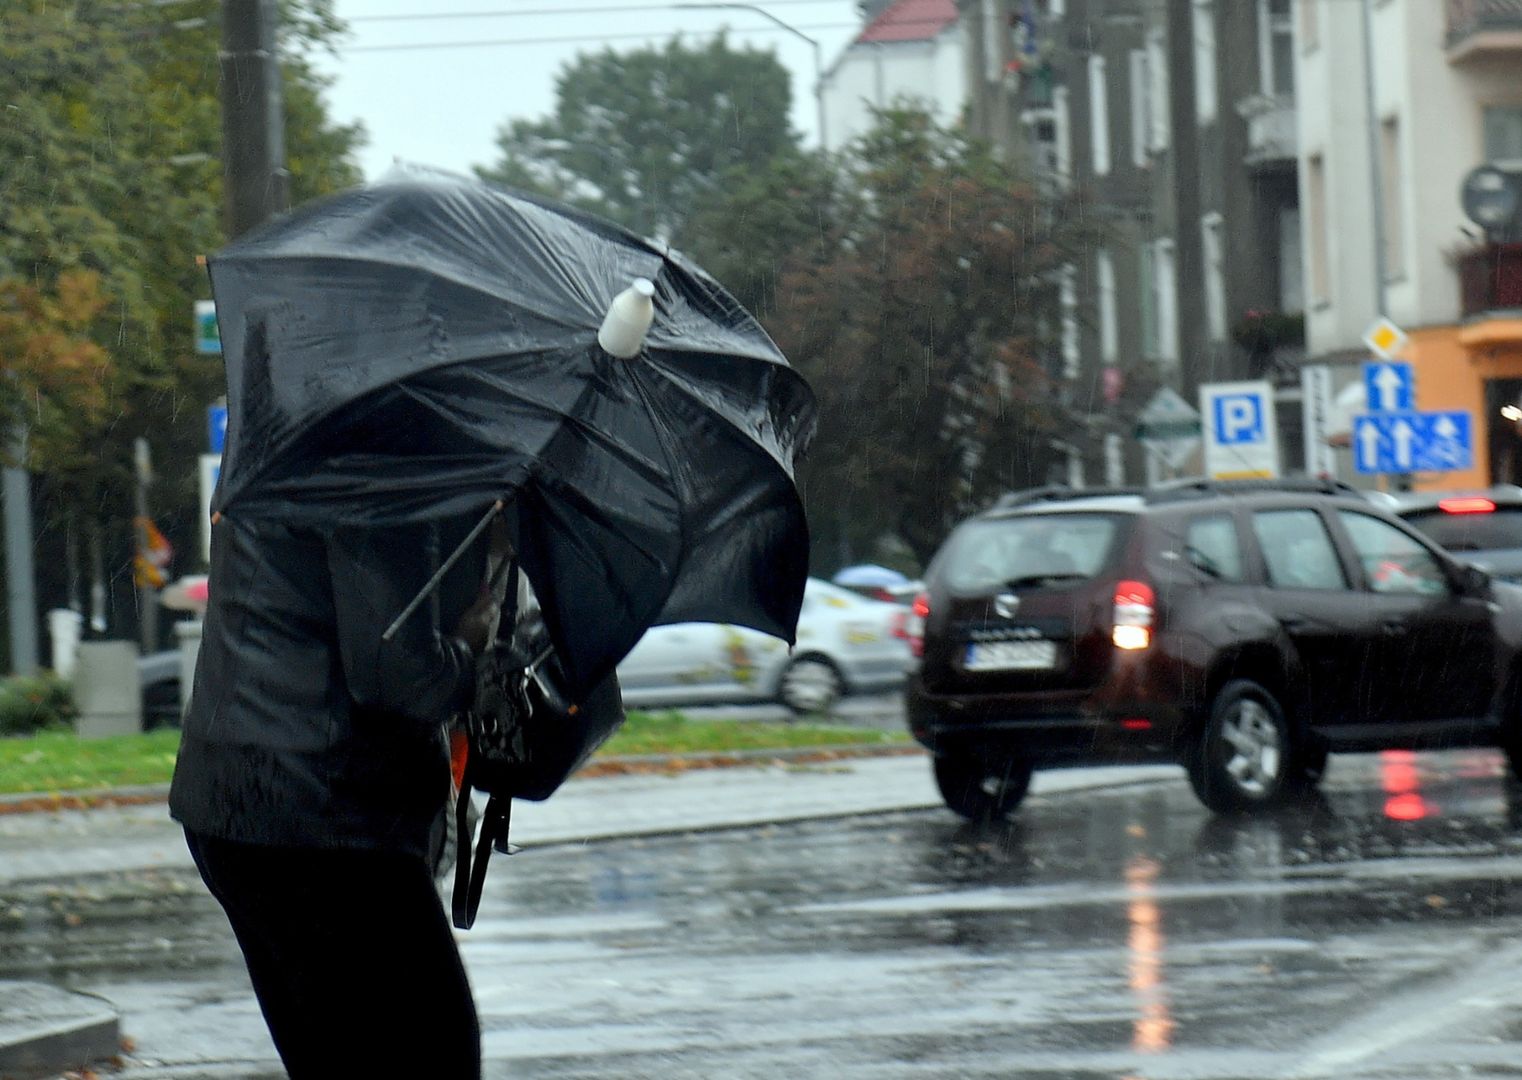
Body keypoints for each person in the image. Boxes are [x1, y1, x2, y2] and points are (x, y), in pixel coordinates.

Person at [169, 509, 501, 1079]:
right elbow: (393, 670)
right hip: (326, 810)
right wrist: (473, 659)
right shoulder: (382, 464)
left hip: (233, 793)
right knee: (434, 1054)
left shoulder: (292, 445)